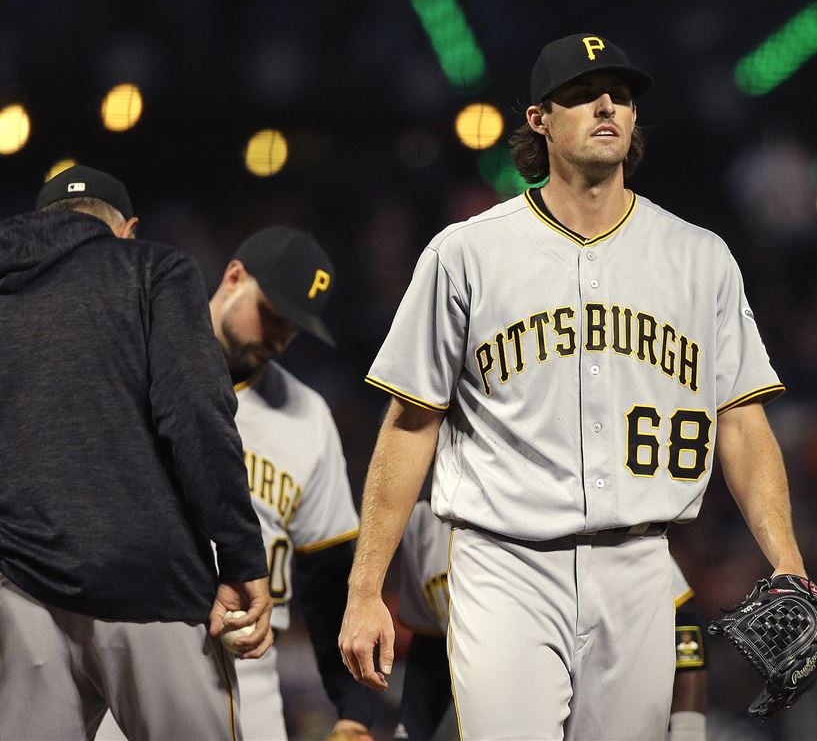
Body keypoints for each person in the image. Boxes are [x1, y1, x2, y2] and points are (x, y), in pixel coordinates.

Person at [340, 32, 809, 739]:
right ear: (538, 120)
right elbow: (410, 425)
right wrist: (365, 587)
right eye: (583, 95)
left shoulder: (698, 256)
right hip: (505, 561)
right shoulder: (467, 253)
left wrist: (789, 559)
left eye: (620, 96)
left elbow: (741, 424)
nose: (607, 106)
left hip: (641, 564)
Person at [0, 165, 272, 740]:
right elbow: (195, 412)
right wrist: (242, 557)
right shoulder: (152, 267)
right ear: (126, 228)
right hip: (153, 585)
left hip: (17, 589)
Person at [98, 226, 375, 741]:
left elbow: (327, 576)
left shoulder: (307, 415)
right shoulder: (130, 371)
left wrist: (351, 706)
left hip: (254, 673)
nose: (278, 336)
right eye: (271, 313)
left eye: (294, 327)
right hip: (130, 652)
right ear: (233, 276)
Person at [391, 500, 709, 741]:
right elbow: (431, 646)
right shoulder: (420, 521)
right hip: (505, 701)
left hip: (595, 692)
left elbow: (685, 623)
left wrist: (689, 732)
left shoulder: (550, 508)